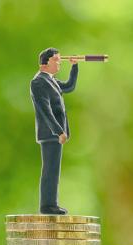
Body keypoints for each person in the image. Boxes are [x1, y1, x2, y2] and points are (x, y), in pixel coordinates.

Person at [30, 47, 78, 215]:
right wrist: (58, 131)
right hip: (50, 134)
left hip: (56, 134)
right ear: (45, 62)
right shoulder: (38, 82)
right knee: (50, 170)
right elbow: (45, 109)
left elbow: (69, 87)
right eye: (56, 61)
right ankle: (47, 205)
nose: (59, 64)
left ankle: (51, 203)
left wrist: (74, 67)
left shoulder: (51, 80)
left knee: (53, 169)